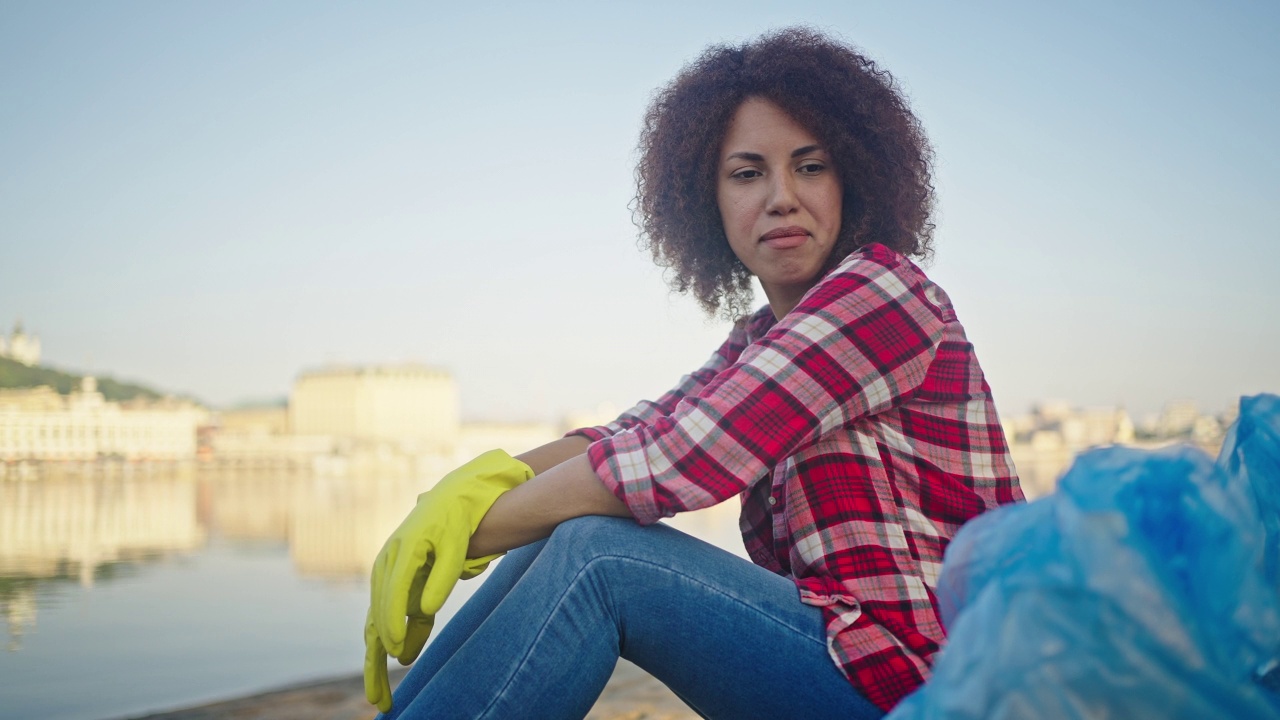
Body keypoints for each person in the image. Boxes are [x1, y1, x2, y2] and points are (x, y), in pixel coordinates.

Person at [363, 27, 1024, 720]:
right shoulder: (760, 342)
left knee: (598, 556)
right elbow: (639, 430)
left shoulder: (883, 294)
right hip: (861, 666)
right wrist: (458, 495)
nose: (781, 197)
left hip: (941, 685)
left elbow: (684, 456)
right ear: (706, 202)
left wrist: (465, 533)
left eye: (811, 166)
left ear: (853, 177)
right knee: (558, 541)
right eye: (747, 173)